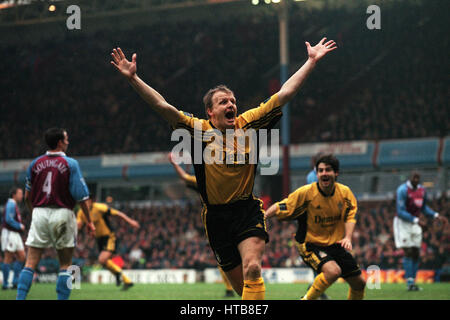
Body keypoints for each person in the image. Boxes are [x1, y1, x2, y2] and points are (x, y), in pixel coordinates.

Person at [111, 37, 337, 299]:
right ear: (210, 111)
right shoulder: (198, 131)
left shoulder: (249, 123)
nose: (231, 105)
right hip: (216, 219)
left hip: (247, 210)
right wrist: (132, 78)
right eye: (223, 102)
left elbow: (284, 94)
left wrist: (310, 62)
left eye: (232, 101)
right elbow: (164, 107)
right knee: (243, 291)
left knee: (253, 268)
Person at [264, 154, 366, 300]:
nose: (324, 173)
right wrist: (264, 217)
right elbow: (282, 205)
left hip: (334, 245)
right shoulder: (306, 193)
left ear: (336, 173)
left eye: (328, 170)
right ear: (316, 173)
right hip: (309, 244)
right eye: (321, 170)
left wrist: (348, 237)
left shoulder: (344, 193)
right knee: (333, 271)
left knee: (359, 284)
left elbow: (351, 214)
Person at [16, 128, 95, 300]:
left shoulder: (35, 164)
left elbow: (28, 197)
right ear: (60, 142)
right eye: (66, 139)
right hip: (63, 214)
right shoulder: (71, 164)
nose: (68, 141)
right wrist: (89, 221)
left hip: (39, 213)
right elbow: (82, 197)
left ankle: (20, 298)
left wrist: (35, 213)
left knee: (30, 264)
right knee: (66, 265)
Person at [168, 152, 235, 298]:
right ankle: (231, 289)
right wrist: (174, 164)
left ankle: (242, 286)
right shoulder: (204, 180)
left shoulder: (226, 177)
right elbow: (185, 177)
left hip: (231, 219)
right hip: (219, 221)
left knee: (232, 256)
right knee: (223, 258)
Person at [394, 171, 447, 291]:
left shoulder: (422, 190)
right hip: (403, 223)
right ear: (410, 178)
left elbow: (423, 208)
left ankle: (412, 282)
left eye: (418, 178)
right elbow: (400, 211)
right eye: (414, 177)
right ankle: (409, 283)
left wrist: (436, 215)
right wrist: (417, 220)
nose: (416, 179)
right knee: (407, 251)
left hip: (416, 222)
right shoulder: (402, 190)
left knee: (416, 252)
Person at [76, 195, 140, 290]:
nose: (86, 203)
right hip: (99, 239)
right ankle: (125, 280)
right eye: (84, 201)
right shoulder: (81, 212)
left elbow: (118, 213)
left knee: (102, 259)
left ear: (92, 201)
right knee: (104, 261)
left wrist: (130, 221)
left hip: (109, 236)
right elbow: (79, 225)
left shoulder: (100, 208)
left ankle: (118, 274)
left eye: (87, 201)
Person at [305, 152, 330, 300]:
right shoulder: (312, 177)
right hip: (316, 222)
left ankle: (316, 287)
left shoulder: (319, 175)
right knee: (320, 256)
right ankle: (316, 288)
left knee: (323, 256)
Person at [1, 186, 26, 290]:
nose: (22, 195)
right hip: (9, 233)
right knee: (8, 258)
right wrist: (19, 226)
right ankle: (6, 284)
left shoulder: (14, 204)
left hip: (15, 234)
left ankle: (15, 281)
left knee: (22, 257)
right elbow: (8, 219)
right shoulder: (11, 204)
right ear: (14, 195)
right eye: (20, 193)